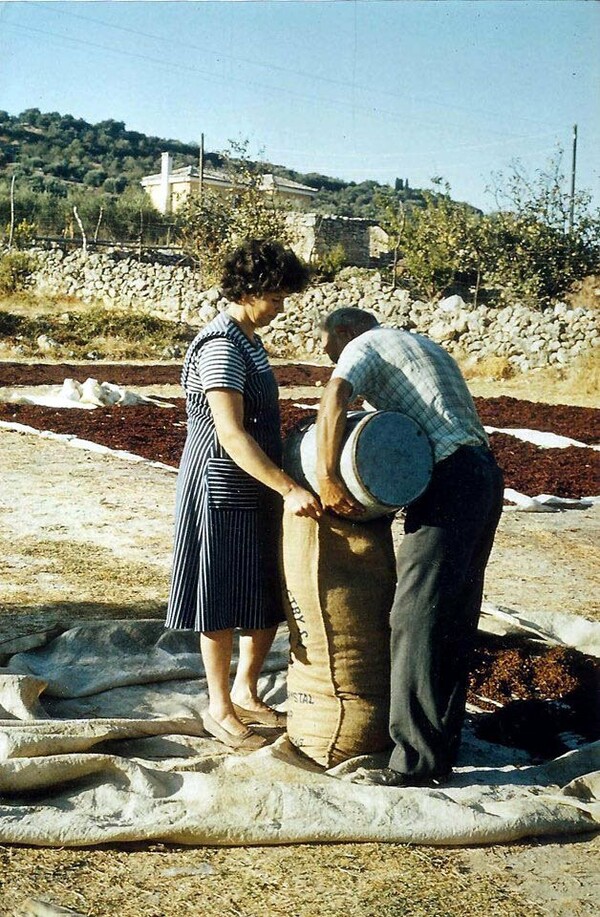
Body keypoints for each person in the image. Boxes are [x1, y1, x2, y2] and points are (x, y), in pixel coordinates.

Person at [315, 307, 504, 785]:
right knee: (452, 616)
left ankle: (412, 764)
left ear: (343, 332)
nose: (329, 357)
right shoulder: (422, 346)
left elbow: (333, 397)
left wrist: (327, 477)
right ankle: (439, 749)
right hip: (483, 476)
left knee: (415, 616)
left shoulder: (362, 345)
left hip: (451, 484)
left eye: (327, 347)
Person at [165, 239, 322, 750]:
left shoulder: (248, 340)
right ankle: (218, 706)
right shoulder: (221, 346)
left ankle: (248, 692)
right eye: (275, 297)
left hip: (255, 486)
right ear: (250, 289)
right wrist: (289, 487)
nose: (281, 307)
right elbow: (230, 433)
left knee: (260, 592)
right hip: (219, 487)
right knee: (222, 596)